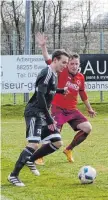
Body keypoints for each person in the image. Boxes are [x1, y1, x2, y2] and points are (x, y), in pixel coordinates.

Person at [8, 50, 70, 186]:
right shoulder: (46, 73)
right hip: (34, 112)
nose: (65, 65)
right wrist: (49, 119)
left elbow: (49, 91)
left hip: (42, 113)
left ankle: (31, 160)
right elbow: (40, 97)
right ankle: (13, 175)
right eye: (63, 62)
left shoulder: (54, 74)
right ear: (55, 60)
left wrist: (60, 91)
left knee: (57, 142)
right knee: (33, 144)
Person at [35, 32, 96, 165]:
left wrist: (89, 109)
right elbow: (47, 59)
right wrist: (43, 46)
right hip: (58, 108)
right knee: (54, 134)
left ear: (79, 64)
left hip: (72, 110)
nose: (74, 66)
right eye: (71, 63)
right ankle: (40, 155)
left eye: (76, 63)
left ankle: (69, 150)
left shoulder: (81, 77)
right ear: (67, 65)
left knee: (87, 128)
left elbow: (82, 93)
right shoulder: (61, 72)